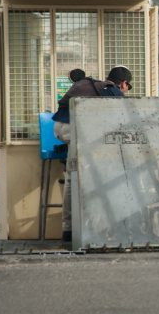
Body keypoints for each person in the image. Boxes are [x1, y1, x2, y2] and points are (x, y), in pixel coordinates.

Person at [52, 65, 133, 244]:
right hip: (76, 129)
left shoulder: (91, 84)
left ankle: (68, 228)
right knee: (95, 177)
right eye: (128, 86)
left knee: (73, 179)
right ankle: (96, 226)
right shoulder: (111, 90)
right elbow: (123, 118)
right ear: (124, 83)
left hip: (61, 127)